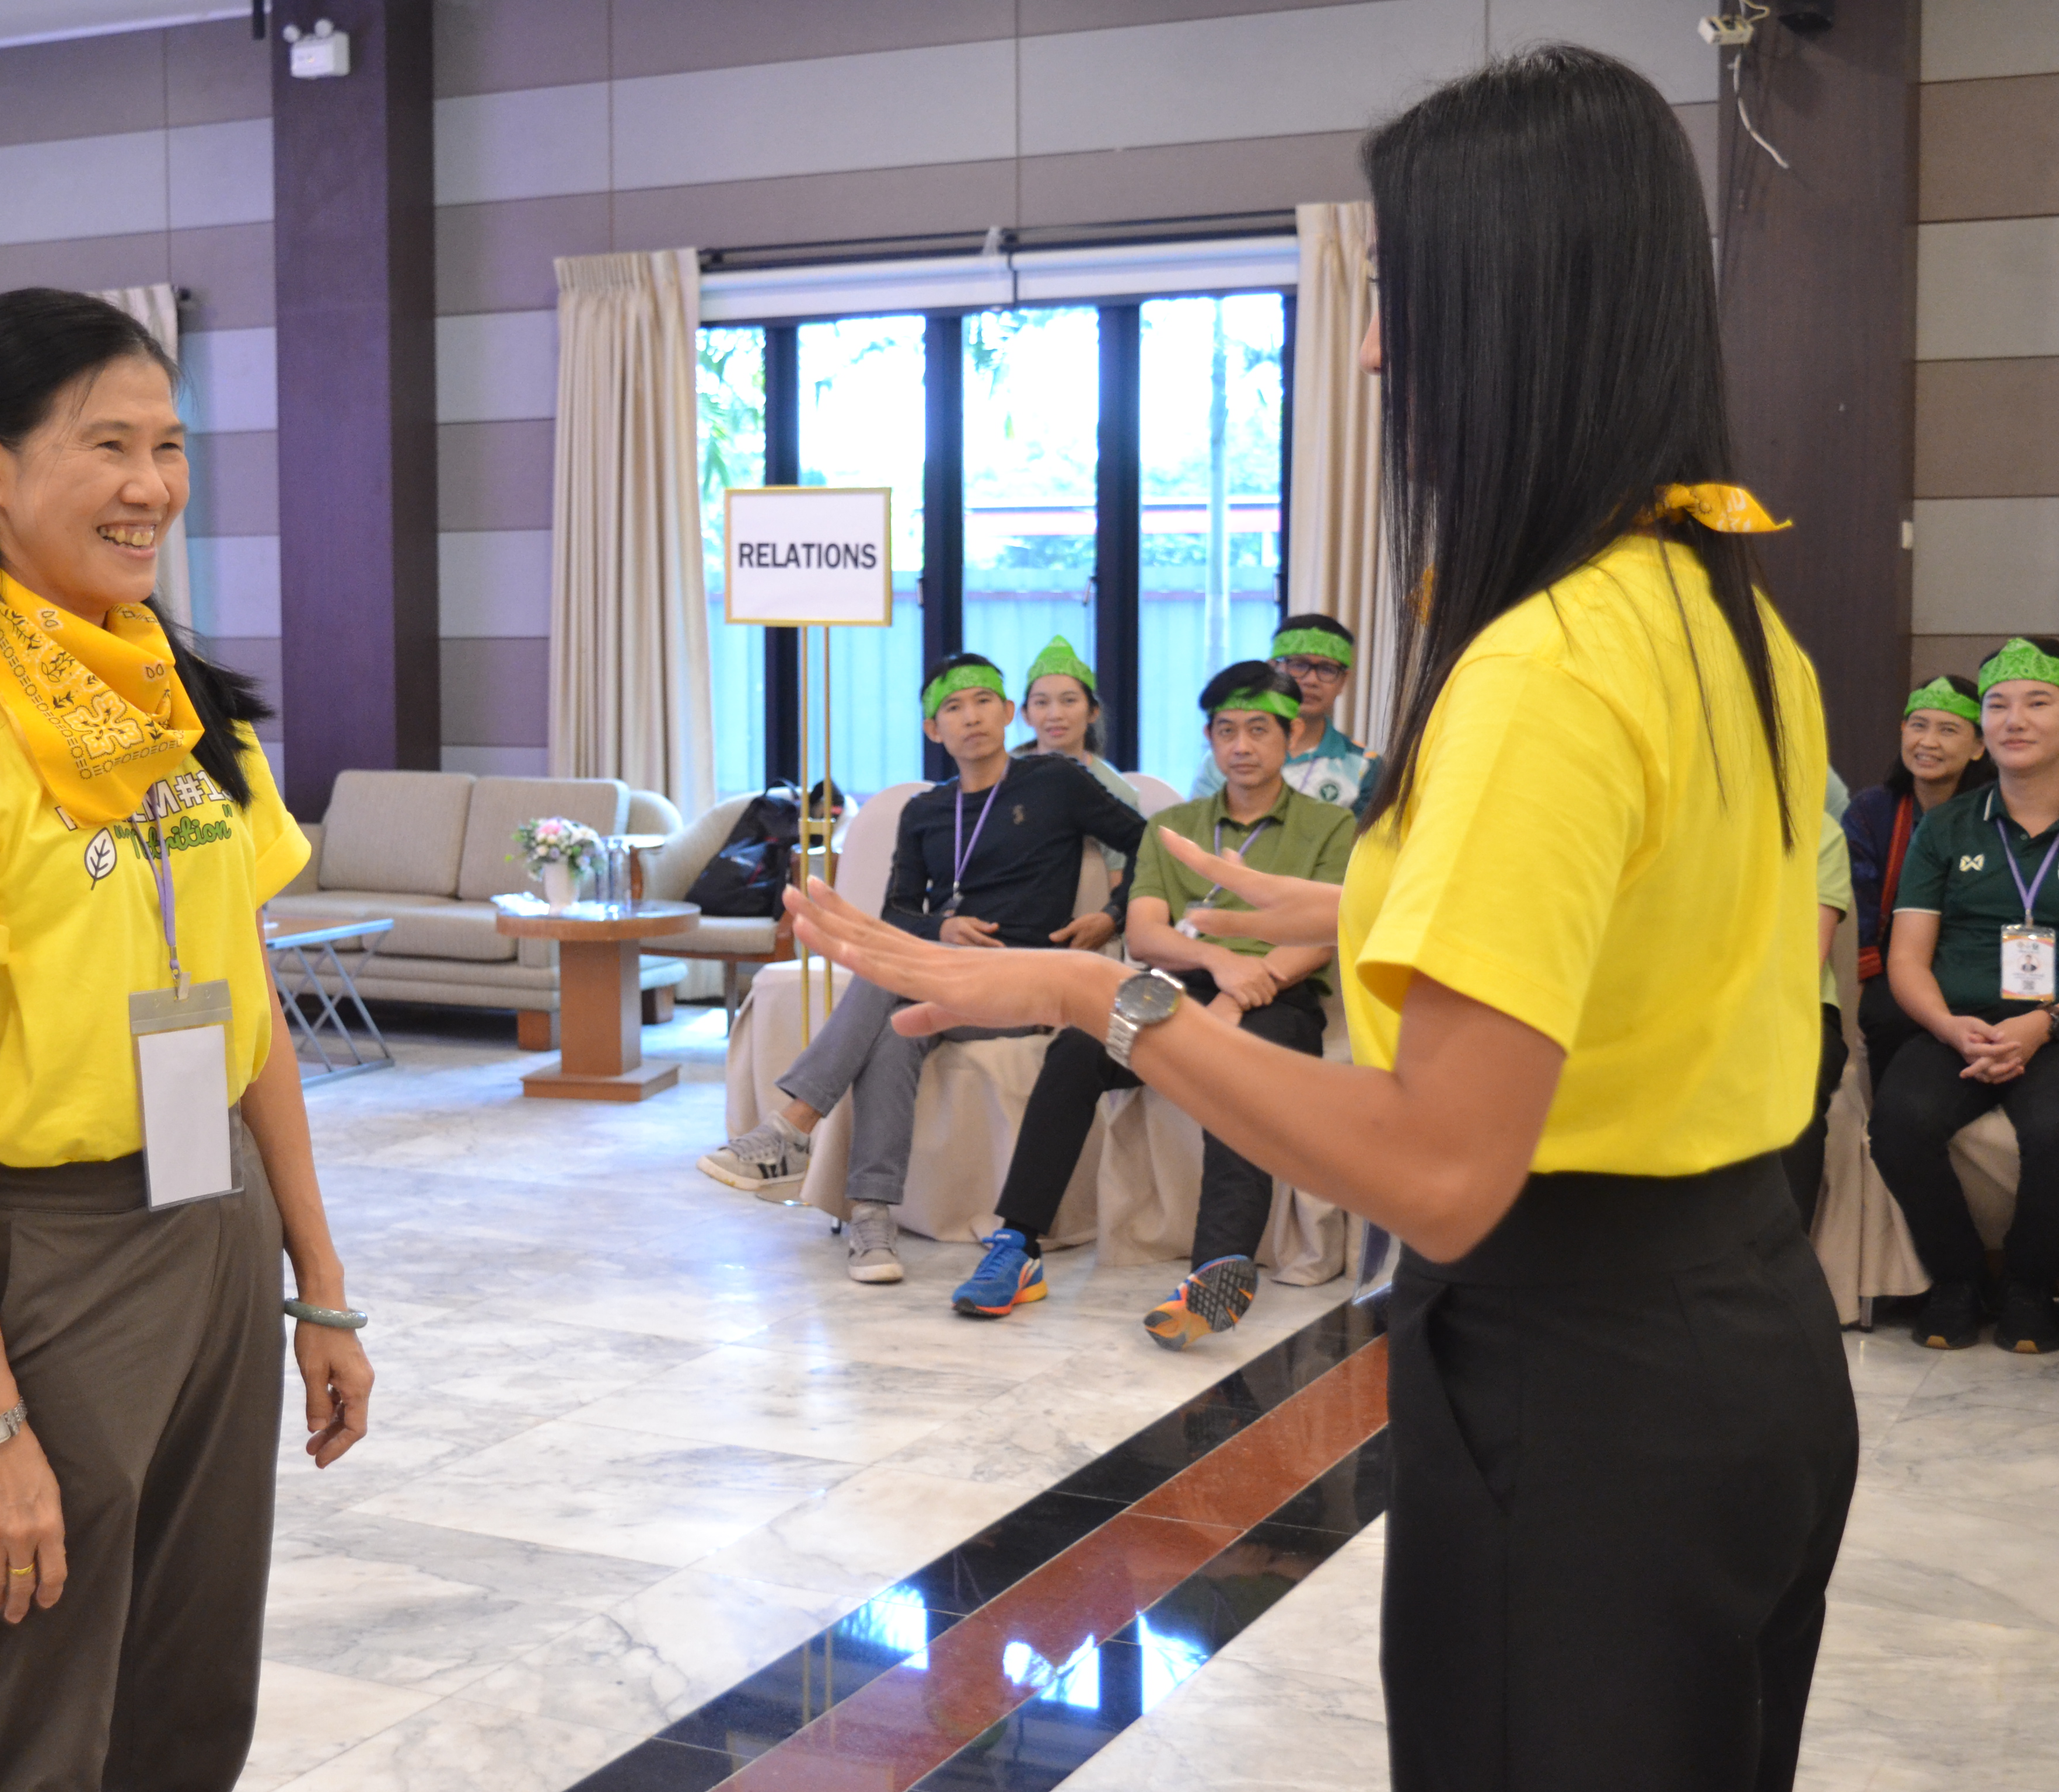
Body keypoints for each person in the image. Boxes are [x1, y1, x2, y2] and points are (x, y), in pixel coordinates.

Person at [781, 47, 1853, 1791]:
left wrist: (1095, 993)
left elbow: (1442, 1164)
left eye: (1394, 296)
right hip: (1746, 1338)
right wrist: (1373, 894)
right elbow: (1656, 927)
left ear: (1512, 309)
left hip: (1587, 1388)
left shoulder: (1543, 665)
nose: (1368, 353)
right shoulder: (1720, 608)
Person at [0, 289, 372, 1787]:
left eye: (169, 446)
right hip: (47, 1254)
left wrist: (318, 1284)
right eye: (109, 445)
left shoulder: (181, 704)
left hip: (214, 1222)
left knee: (192, 1698)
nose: (152, 486)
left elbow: (248, 1008)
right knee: (35, 1718)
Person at [697, 652, 1149, 1281]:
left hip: (1024, 984)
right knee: (894, 1029)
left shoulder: (1055, 781)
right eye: (953, 708)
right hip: (943, 978)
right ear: (934, 730)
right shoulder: (925, 810)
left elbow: (1149, 843)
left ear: (1008, 712)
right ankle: (872, 1220)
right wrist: (942, 928)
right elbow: (898, 911)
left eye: (984, 702)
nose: (972, 718)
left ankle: (793, 1127)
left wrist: (1112, 916)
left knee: (890, 978)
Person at [953, 662, 1354, 1345]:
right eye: (1227, 731)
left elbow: (1321, 936)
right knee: (1078, 1048)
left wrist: (1241, 994)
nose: (1242, 746)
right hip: (1175, 988)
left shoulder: (1330, 826)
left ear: (1291, 737)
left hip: (1279, 995)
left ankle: (1216, 1272)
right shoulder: (1173, 825)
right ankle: (1018, 1244)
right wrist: (1219, 964)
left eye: (1259, 730)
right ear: (1210, 738)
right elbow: (1143, 934)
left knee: (1238, 1072)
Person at [1866, 638, 2059, 1355]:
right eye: (1998, 705)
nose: (2015, 720)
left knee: (2055, 1131)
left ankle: (2032, 1286)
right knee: (1900, 1123)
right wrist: (1949, 1027)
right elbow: (1907, 958)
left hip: (2054, 1028)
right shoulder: (1947, 827)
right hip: (1959, 1024)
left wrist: (2044, 1022)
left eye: (2038, 703)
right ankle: (1958, 1279)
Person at [1844, 676, 1992, 1092]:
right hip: (1896, 964)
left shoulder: (1994, 812)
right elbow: (1860, 909)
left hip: (1971, 961)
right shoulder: (1872, 811)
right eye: (1918, 726)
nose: (1928, 742)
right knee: (1888, 1015)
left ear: (1979, 746)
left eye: (1948, 730)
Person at [1188, 612, 1379, 815]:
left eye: (1327, 669)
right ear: (1273, 668)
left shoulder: (1364, 766)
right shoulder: (1228, 758)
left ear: (1343, 681)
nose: (1312, 680)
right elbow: (1199, 827)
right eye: (1298, 665)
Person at [1015, 634, 1144, 888]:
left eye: (1069, 701)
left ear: (1093, 711)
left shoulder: (1117, 792)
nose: (1055, 714)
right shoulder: (1001, 775)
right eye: (1041, 703)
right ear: (1026, 714)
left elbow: (1119, 883)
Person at [1777, 810, 1852, 1229]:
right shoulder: (1680, 814)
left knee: (1795, 1086)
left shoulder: (1817, 829)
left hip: (1797, 1008)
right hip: (1683, 1008)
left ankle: (1785, 1252)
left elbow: (1806, 963)